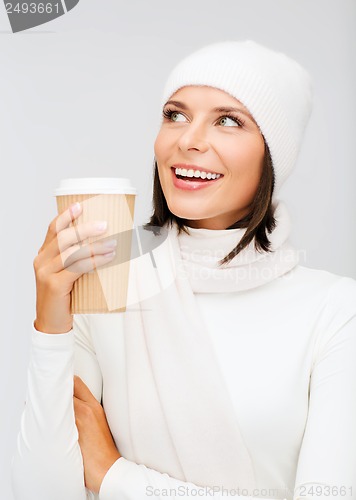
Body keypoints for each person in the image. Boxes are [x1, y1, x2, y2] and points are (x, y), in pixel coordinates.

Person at [11, 40, 356, 500]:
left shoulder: (334, 311)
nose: (188, 139)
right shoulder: (108, 287)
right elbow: (40, 493)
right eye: (175, 114)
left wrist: (117, 476)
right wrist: (51, 323)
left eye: (228, 120)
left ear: (271, 155)